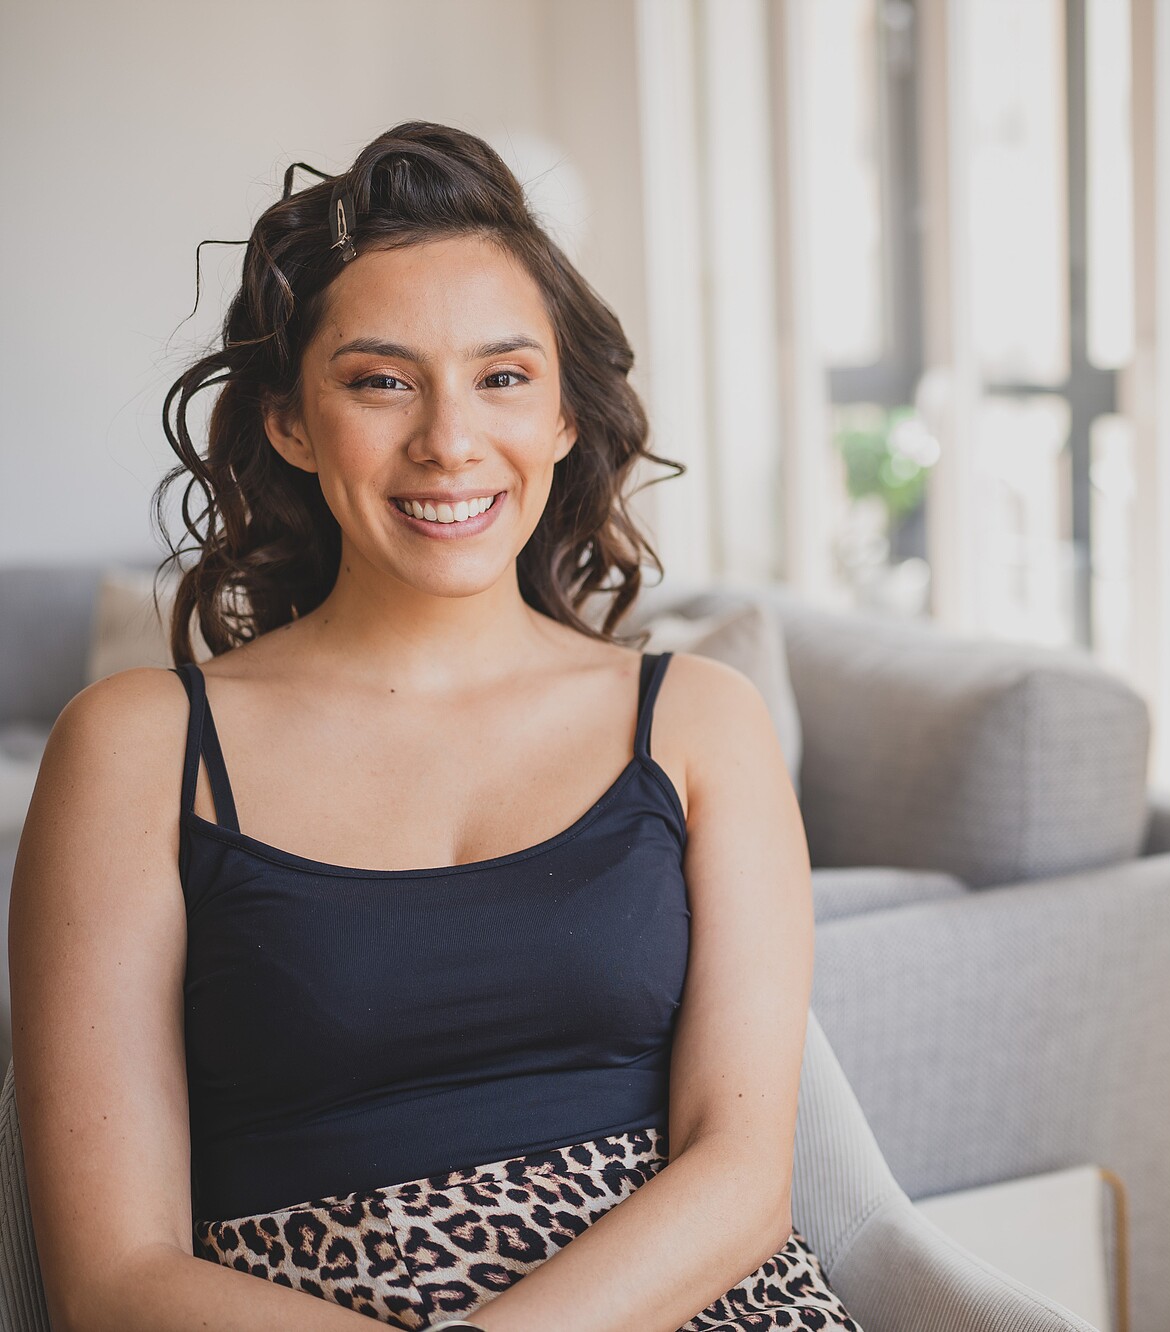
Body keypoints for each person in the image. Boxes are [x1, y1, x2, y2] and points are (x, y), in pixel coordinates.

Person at [9, 121, 861, 1332]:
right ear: (291, 424)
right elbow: (113, 1279)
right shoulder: (138, 748)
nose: (450, 441)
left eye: (503, 377)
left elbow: (740, 1182)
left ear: (567, 415)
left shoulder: (698, 725)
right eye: (381, 379)